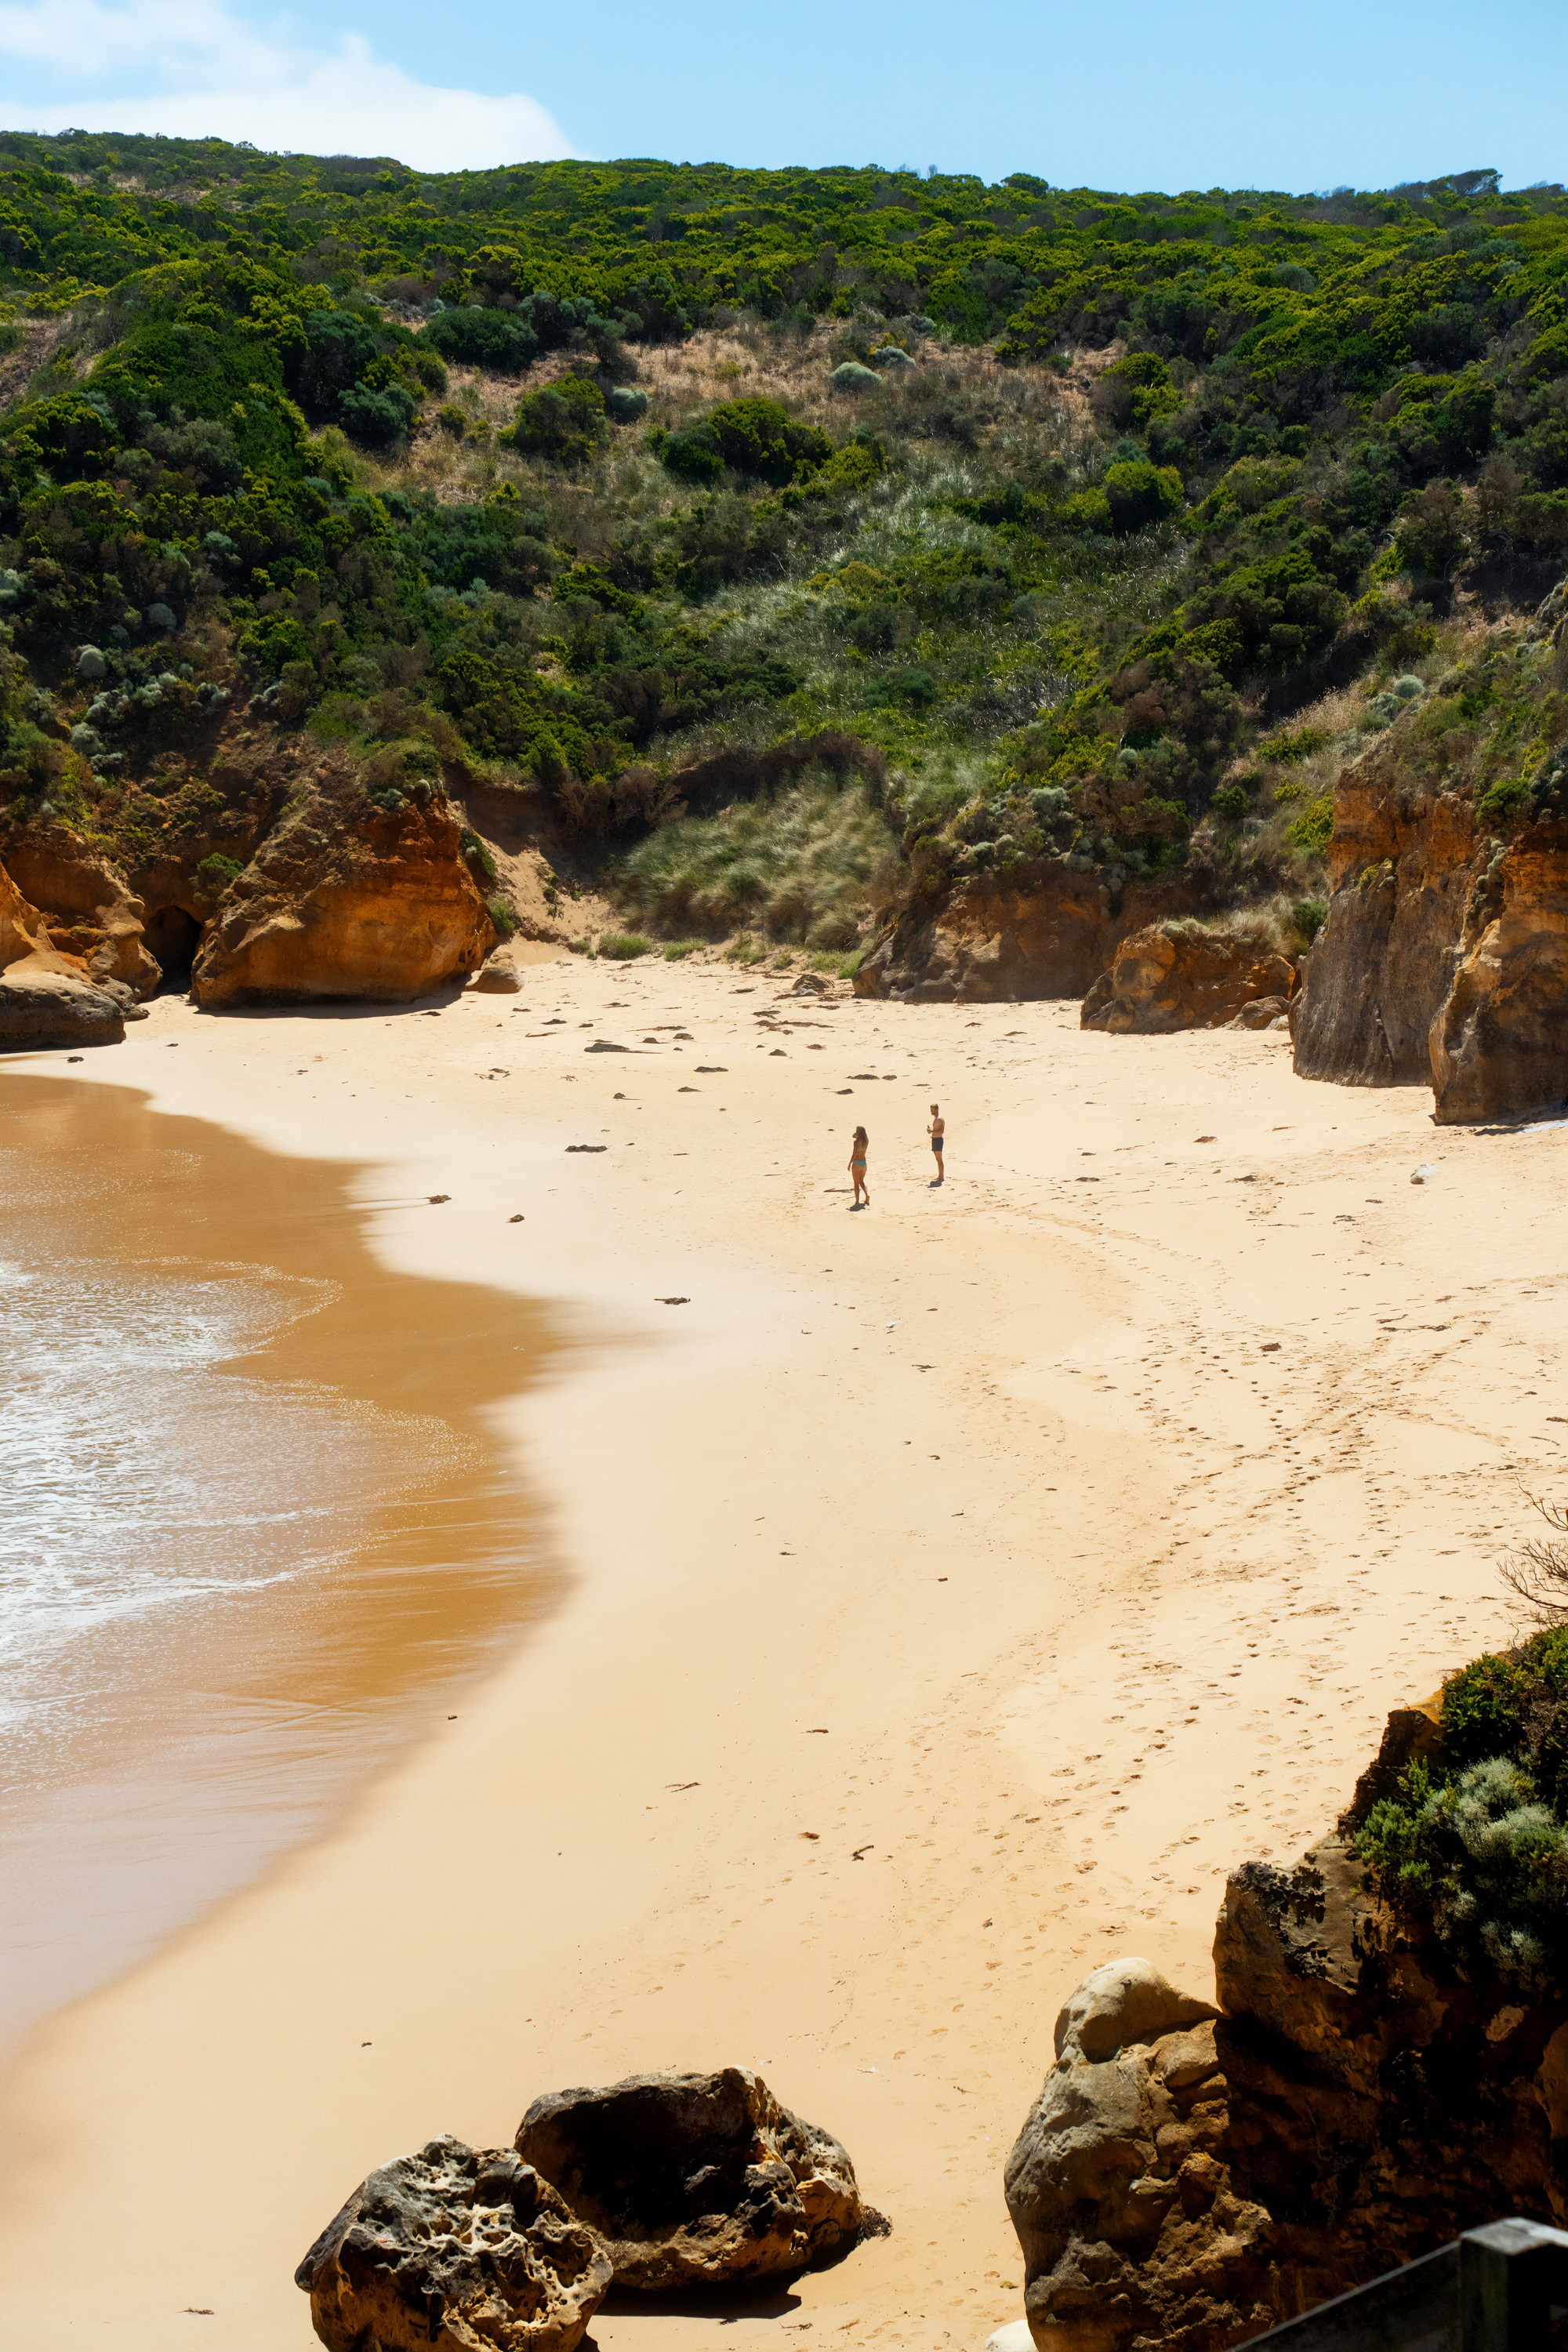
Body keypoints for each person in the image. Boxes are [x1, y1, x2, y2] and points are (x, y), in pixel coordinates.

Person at [848, 1126, 870, 1209]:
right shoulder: (866, 1141)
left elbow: (854, 1154)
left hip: (857, 1163)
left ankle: (857, 1201)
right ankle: (867, 1195)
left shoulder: (856, 1142)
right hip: (863, 1163)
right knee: (861, 1181)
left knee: (856, 1183)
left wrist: (850, 1163)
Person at [927, 1102, 946, 1186]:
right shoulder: (936, 1119)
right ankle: (940, 1176)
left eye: (932, 1110)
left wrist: (932, 1131)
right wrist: (931, 1130)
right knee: (937, 1159)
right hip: (935, 1140)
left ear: (937, 1110)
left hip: (938, 1140)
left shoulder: (939, 1119)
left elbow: (941, 1132)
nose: (931, 1111)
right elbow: (936, 1130)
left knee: (939, 1159)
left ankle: (941, 1177)